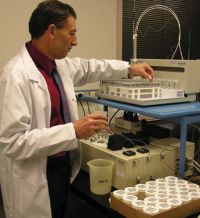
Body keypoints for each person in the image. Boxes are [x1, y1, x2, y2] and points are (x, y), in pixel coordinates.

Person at [0, 0, 154, 218]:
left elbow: (91, 67)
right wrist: (73, 131)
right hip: (36, 175)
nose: (75, 41)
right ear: (52, 31)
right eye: (71, 33)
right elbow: (12, 142)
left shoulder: (58, 65)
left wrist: (129, 69)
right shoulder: (15, 75)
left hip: (62, 169)